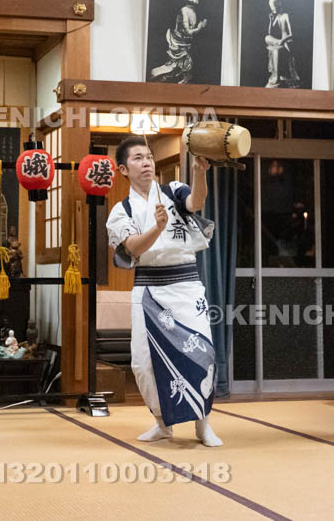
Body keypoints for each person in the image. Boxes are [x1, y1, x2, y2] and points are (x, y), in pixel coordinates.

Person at [105, 136, 221, 447]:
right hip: (148, 288)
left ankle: (203, 423)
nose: (146, 163)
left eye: (149, 157)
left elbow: (196, 202)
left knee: (200, 352)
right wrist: (156, 228)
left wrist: (200, 171)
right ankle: (162, 423)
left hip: (185, 284)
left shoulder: (173, 190)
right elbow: (132, 249)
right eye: (138, 158)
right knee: (143, 361)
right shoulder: (121, 210)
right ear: (123, 169)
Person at [150, 0, 208, 84]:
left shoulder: (192, 11)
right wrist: (200, 27)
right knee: (175, 65)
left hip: (185, 43)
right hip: (178, 44)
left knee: (186, 66)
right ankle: (157, 75)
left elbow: (189, 33)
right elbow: (188, 31)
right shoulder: (184, 10)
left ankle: (178, 80)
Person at [264, 0, 300, 88]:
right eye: (271, 7)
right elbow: (269, 33)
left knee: (276, 50)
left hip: (288, 42)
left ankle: (276, 76)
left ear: (279, 5)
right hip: (279, 41)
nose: (273, 8)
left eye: (274, 6)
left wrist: (283, 41)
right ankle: (277, 44)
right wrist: (271, 20)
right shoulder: (276, 17)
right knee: (267, 37)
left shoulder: (286, 16)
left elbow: (292, 34)